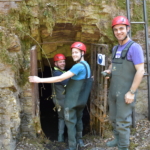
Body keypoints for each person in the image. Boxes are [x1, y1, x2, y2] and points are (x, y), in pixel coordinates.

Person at [29, 42, 93, 150]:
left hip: (72, 101)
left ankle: (72, 146)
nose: (74, 55)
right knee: (78, 119)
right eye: (73, 53)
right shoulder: (87, 65)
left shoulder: (78, 66)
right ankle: (79, 141)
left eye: (76, 52)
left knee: (70, 121)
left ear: (82, 53)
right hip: (81, 100)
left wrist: (39, 80)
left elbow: (60, 79)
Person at [104, 16, 145, 150]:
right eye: (115, 30)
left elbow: (140, 71)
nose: (118, 32)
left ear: (128, 29)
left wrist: (131, 92)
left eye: (121, 28)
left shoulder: (134, 47)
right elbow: (113, 64)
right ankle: (117, 139)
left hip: (126, 91)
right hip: (114, 90)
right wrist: (109, 71)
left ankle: (123, 146)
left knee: (122, 121)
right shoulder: (116, 48)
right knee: (114, 117)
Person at [52, 53, 69, 142]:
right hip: (63, 101)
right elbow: (69, 86)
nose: (63, 63)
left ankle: (60, 138)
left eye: (63, 61)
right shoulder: (58, 74)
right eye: (60, 62)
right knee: (69, 119)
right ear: (55, 64)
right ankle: (71, 139)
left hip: (58, 100)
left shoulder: (55, 72)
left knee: (62, 118)